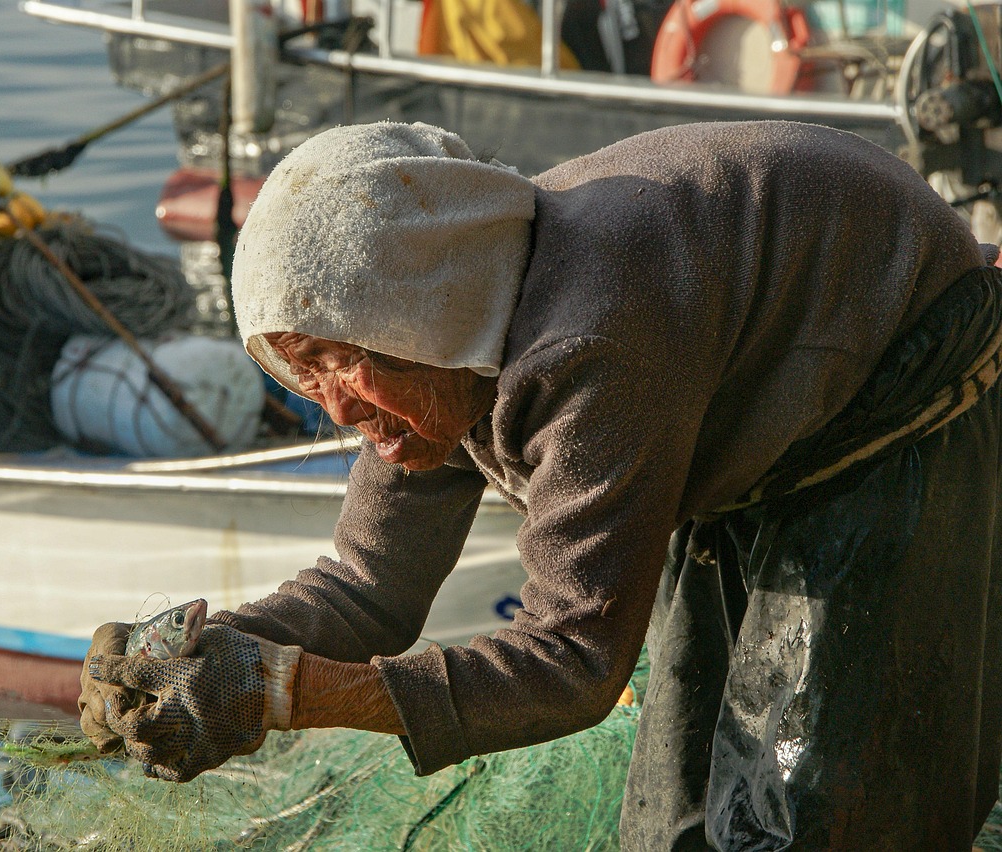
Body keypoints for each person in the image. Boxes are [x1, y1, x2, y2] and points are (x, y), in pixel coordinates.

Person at [79, 119, 1002, 848]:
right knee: (671, 827)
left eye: (337, 362)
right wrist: (203, 655)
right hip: (748, 405)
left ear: (421, 311)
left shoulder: (587, 343)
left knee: (812, 817)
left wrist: (283, 693)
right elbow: (369, 589)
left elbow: (573, 664)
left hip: (891, 394)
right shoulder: (439, 351)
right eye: (302, 375)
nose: (336, 411)